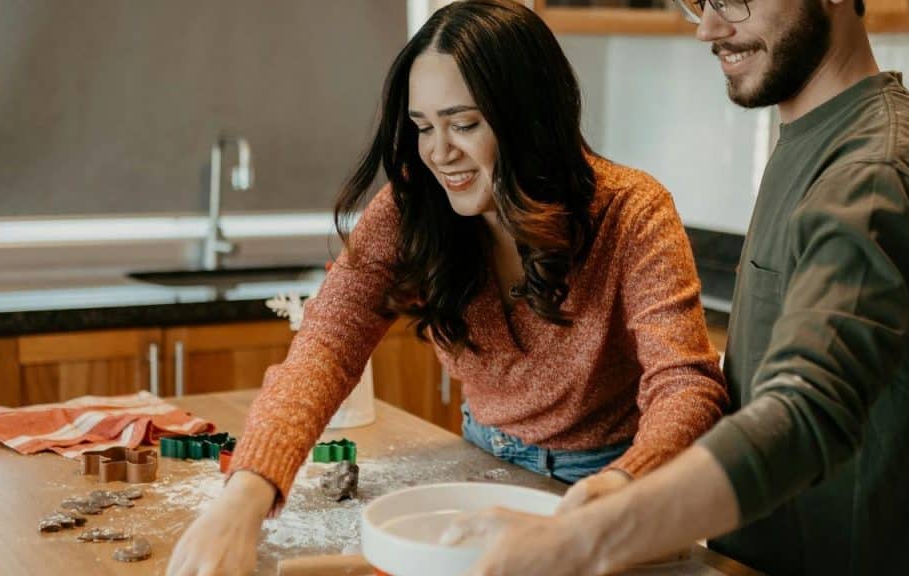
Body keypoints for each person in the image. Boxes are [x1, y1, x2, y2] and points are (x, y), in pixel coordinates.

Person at [165, 1, 728, 574]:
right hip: (481, 462)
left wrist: (620, 488)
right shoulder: (411, 207)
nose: (438, 153)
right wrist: (243, 497)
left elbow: (687, 385)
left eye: (464, 124)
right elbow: (326, 347)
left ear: (529, 118)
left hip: (612, 476)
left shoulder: (633, 212)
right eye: (423, 127)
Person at [449, 0, 909, 575]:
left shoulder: (877, 169)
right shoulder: (814, 136)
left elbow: (805, 412)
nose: (709, 29)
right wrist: (624, 496)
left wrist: (583, 539)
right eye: (700, 3)